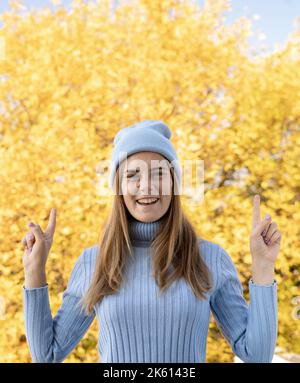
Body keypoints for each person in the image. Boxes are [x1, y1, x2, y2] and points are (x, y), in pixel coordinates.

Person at [22, 120, 281, 363]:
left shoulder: (210, 258)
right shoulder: (94, 261)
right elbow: (47, 354)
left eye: (158, 173)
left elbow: (257, 355)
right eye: (133, 175)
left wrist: (262, 267)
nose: (146, 186)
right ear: (119, 187)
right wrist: (34, 271)